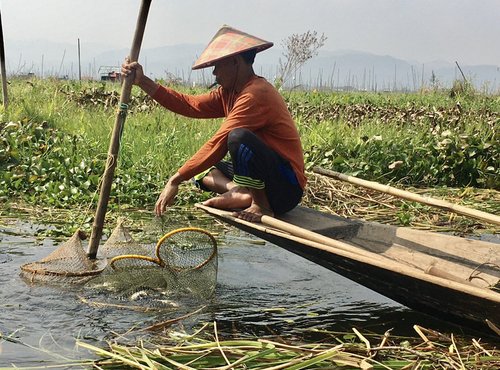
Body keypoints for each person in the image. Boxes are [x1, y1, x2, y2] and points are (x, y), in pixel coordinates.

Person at [122, 25, 307, 222]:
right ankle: (241, 193)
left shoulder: (256, 94)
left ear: (235, 62)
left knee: (237, 138)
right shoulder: (228, 92)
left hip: (285, 189)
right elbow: (189, 105)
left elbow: (219, 142)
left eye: (218, 66)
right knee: (203, 168)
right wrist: (142, 81)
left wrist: (175, 180)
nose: (214, 73)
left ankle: (261, 205)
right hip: (265, 179)